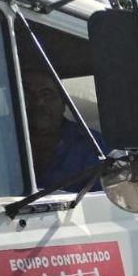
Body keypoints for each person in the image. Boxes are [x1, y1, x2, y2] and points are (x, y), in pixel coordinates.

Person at [20, 58, 103, 192]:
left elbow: (105, 199)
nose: (38, 102)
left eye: (47, 94)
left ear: (63, 102)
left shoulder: (93, 145)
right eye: (27, 94)